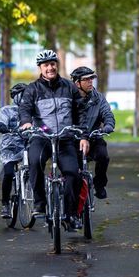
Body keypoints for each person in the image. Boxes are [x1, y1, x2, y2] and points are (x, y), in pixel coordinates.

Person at [19, 49, 89, 230]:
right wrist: (26, 122)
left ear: (57, 65)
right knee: (34, 162)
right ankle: (40, 204)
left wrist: (83, 136)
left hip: (65, 139)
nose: (50, 68)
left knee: (73, 173)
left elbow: (80, 112)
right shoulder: (32, 89)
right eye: (46, 65)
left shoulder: (69, 87)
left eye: (52, 64)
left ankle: (71, 214)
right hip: (41, 137)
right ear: (40, 68)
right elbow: (25, 109)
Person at [70, 66, 115, 199]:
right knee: (72, 172)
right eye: (86, 79)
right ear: (77, 82)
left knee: (103, 156)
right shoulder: (68, 99)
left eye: (92, 79)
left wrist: (108, 126)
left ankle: (99, 184)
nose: (90, 82)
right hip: (73, 141)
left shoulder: (98, 98)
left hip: (93, 138)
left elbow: (107, 114)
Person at [0, 83, 29, 219]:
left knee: (35, 168)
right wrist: (1, 126)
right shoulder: (7, 111)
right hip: (10, 148)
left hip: (27, 145)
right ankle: (5, 203)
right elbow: (0, 121)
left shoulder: (33, 111)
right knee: (8, 173)